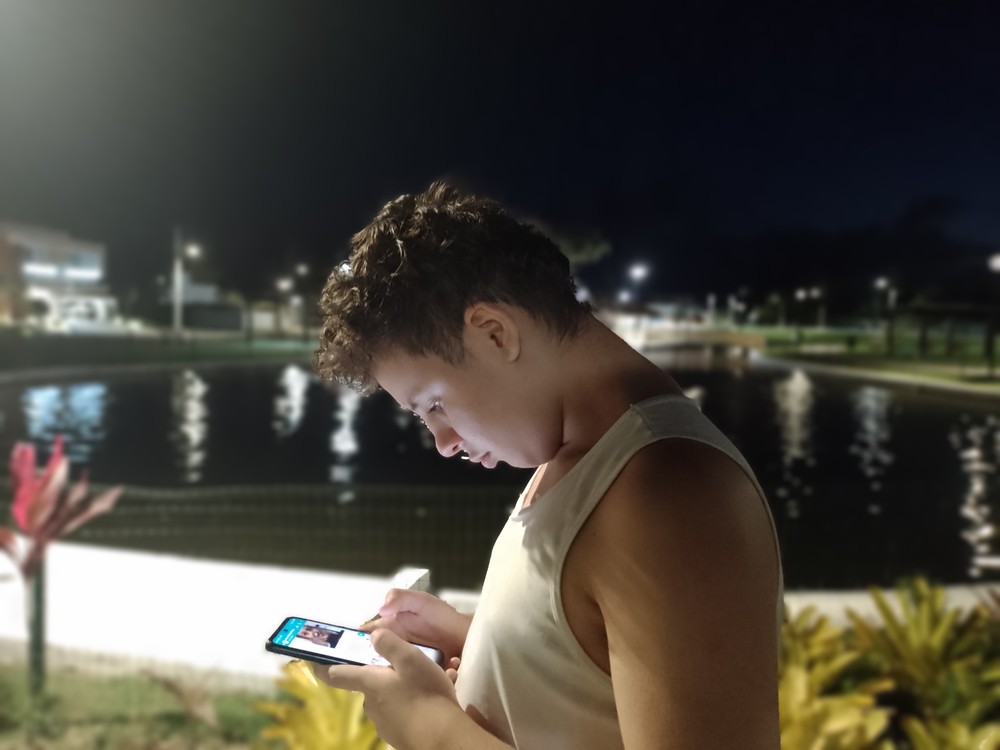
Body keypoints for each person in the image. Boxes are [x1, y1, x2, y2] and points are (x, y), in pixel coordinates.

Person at [311, 180, 783, 749]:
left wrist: (430, 730)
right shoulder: (579, 452)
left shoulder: (671, 497)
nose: (443, 441)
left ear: (495, 334)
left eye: (433, 404)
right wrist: (475, 637)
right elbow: (592, 662)